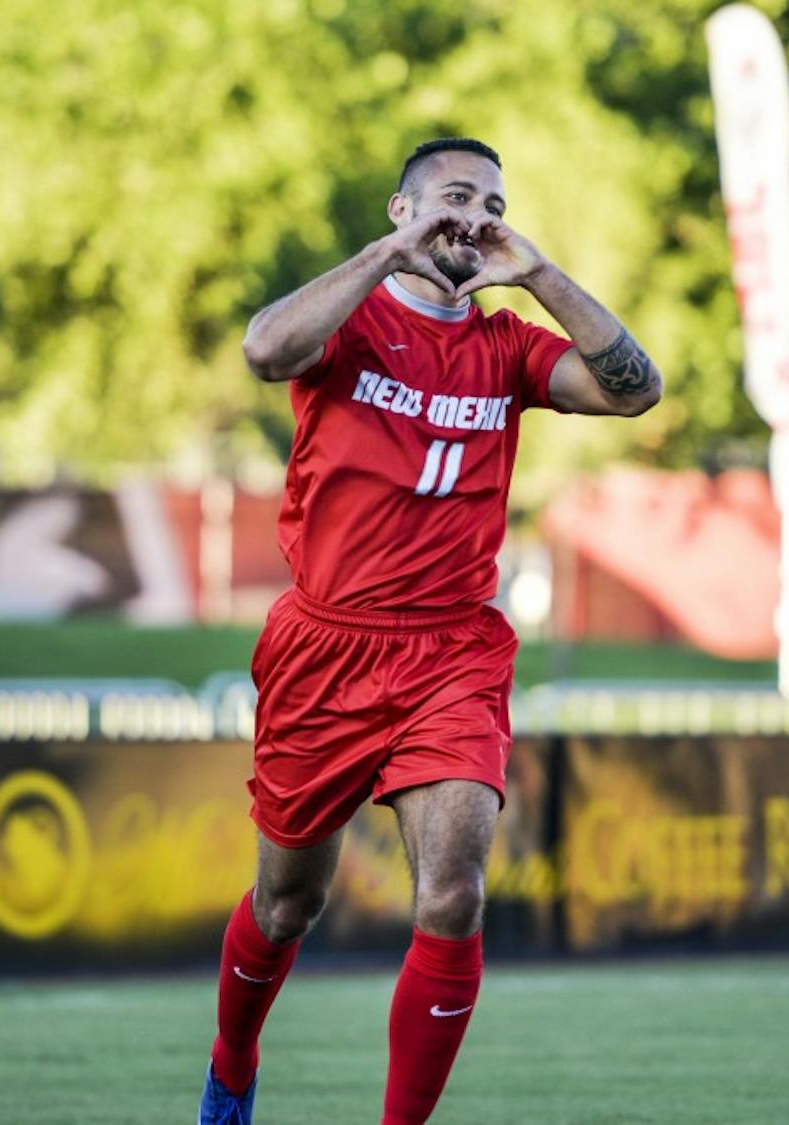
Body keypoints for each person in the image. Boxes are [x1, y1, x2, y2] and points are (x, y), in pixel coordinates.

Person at [199, 137, 662, 1124]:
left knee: (452, 897)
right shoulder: (352, 317)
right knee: (288, 905)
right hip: (325, 647)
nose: (476, 214)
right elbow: (265, 349)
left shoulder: (506, 346)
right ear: (403, 209)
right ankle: (232, 1065)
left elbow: (634, 388)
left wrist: (536, 272)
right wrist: (386, 254)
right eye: (456, 196)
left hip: (452, 649)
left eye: (492, 201)